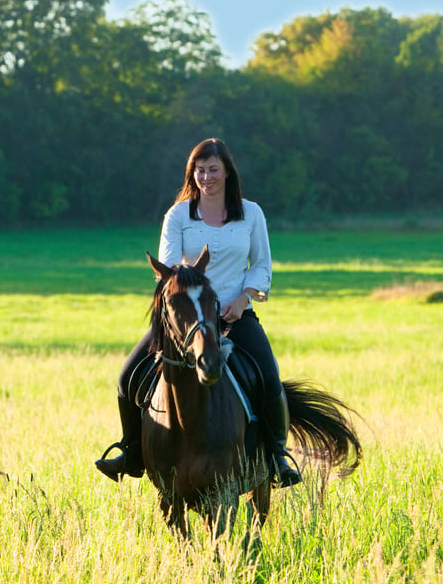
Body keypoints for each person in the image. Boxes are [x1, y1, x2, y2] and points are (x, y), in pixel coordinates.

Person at [94, 138, 300, 487]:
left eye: (213, 169)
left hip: (234, 314)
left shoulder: (251, 213)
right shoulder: (178, 215)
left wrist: (244, 298)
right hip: (183, 316)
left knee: (268, 375)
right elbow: (170, 266)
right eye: (200, 170)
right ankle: (131, 451)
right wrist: (189, 302)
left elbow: (262, 265)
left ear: (227, 173)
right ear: (193, 173)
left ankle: (277, 455)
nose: (207, 177)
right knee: (127, 377)